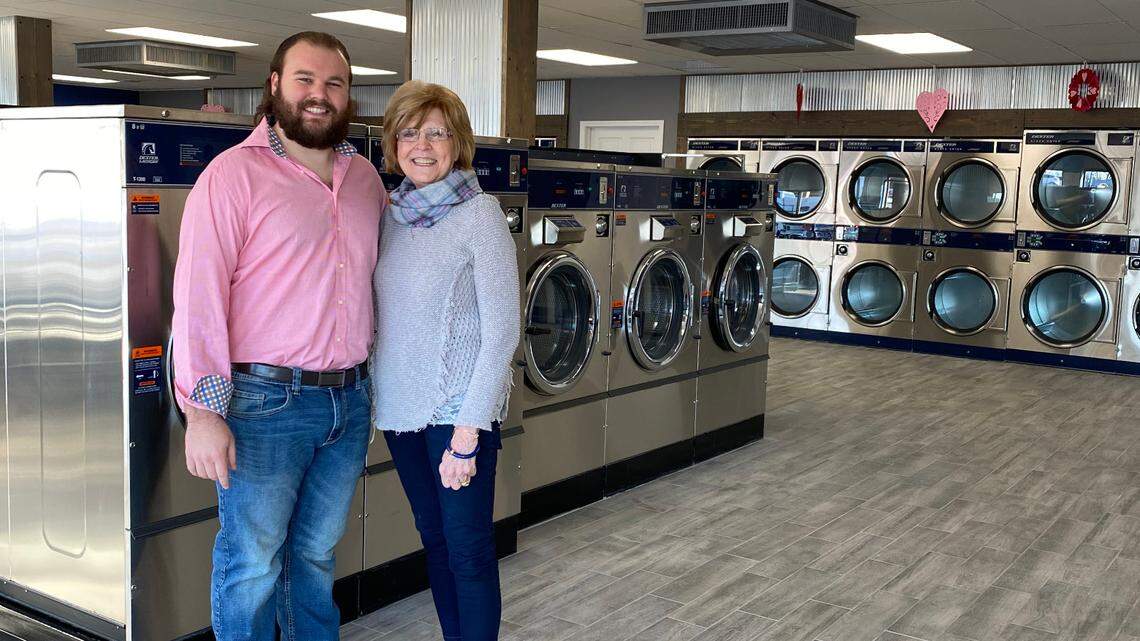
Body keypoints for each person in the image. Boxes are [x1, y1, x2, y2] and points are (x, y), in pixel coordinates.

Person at [172, 31, 385, 641]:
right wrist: (204, 413)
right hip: (263, 404)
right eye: (306, 81)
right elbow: (197, 301)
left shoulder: (366, 179)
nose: (320, 96)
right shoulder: (232, 176)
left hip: (349, 399)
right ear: (274, 86)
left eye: (334, 84)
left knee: (315, 559)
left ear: (348, 96)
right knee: (253, 562)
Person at [371, 80, 520, 641]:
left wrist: (468, 430)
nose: (422, 144)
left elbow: (502, 326)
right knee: (434, 541)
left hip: (458, 414)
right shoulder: (392, 216)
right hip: (402, 410)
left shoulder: (480, 214)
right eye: (409, 133)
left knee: (469, 552)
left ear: (458, 143)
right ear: (393, 144)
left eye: (437, 132)